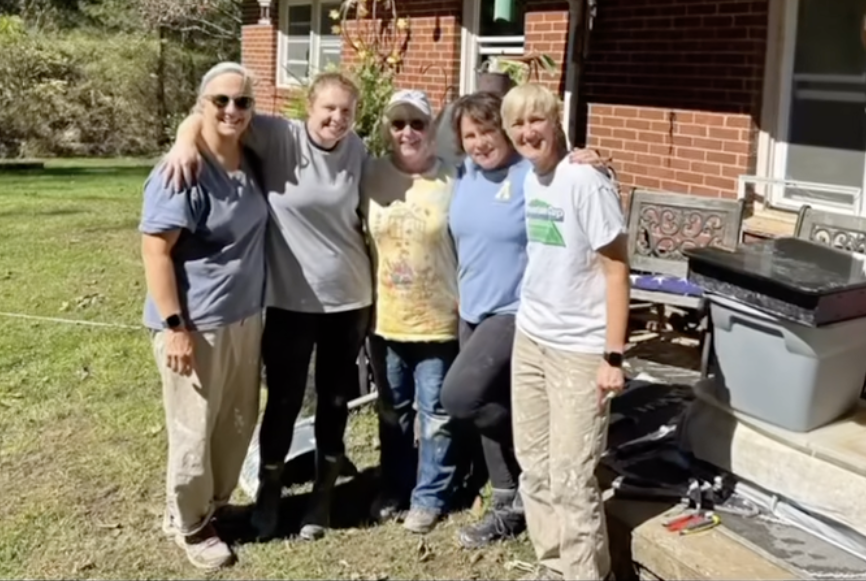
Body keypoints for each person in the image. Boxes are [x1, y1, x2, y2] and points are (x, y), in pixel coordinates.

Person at [162, 72, 373, 542]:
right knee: (283, 399)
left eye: (346, 112)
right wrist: (182, 143)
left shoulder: (357, 150)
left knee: (336, 399)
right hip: (289, 301)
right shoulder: (280, 136)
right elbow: (217, 116)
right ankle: (269, 495)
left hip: (350, 299)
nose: (336, 120)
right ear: (309, 109)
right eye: (328, 109)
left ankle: (322, 495)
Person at [440, 91, 606, 550]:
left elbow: (570, 180)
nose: (479, 143)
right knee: (488, 398)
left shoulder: (530, 174)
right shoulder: (464, 174)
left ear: (506, 132)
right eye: (469, 135)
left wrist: (587, 158)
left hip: (515, 310)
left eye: (487, 132)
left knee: (461, 398)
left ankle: (537, 461)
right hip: (471, 306)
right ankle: (509, 499)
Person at [141, 62, 268, 570]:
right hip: (196, 323)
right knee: (193, 425)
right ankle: (189, 524)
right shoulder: (182, 171)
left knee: (235, 422)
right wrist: (176, 328)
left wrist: (189, 130)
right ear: (202, 105)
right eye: (220, 101)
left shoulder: (250, 155)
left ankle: (209, 507)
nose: (232, 110)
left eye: (242, 101)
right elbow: (155, 251)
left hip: (244, 317)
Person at [500, 83, 631, 581]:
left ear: (556, 121)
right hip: (531, 335)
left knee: (572, 477)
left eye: (537, 119)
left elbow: (618, 269)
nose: (528, 131)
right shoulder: (532, 177)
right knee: (534, 464)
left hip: (580, 348)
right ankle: (553, 566)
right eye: (518, 123)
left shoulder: (585, 181)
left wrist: (613, 356)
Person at [362, 89, 460, 535]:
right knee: (392, 410)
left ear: (432, 129)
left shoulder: (456, 179)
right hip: (385, 319)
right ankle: (395, 487)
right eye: (398, 123)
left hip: (438, 318)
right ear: (387, 129)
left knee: (436, 413)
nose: (407, 132)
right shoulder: (369, 174)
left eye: (417, 123)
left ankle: (429, 496)